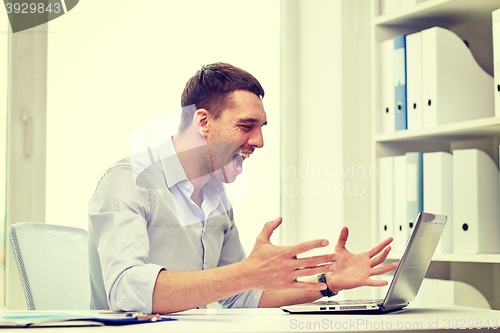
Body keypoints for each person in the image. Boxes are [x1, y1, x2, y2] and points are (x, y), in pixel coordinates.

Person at [88, 62, 398, 314]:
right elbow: (125, 290)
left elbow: (242, 297)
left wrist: (327, 282)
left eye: (261, 128)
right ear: (203, 122)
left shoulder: (217, 198)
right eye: (246, 125)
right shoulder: (128, 181)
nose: (259, 141)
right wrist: (245, 273)